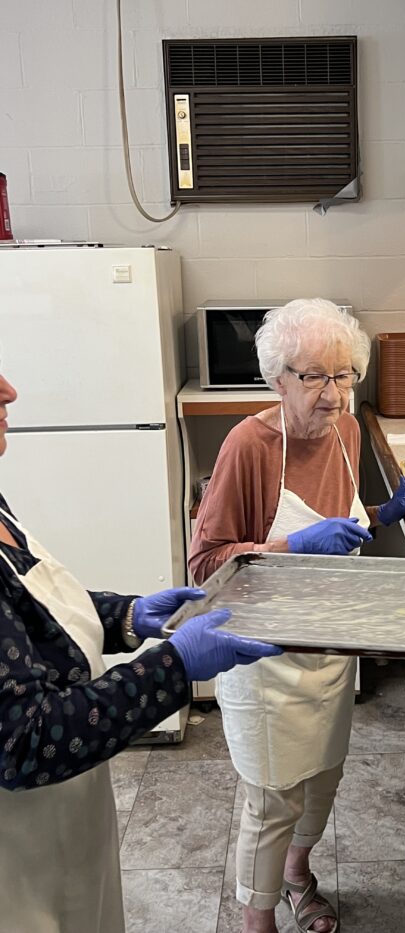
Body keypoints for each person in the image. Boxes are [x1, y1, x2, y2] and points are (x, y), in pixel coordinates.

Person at [0, 371, 282, 933]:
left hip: (66, 815)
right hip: (18, 854)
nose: (9, 390)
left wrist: (128, 615)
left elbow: (30, 621)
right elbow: (23, 741)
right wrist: (172, 667)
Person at [189, 298, 405, 933]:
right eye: (315, 377)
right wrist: (289, 547)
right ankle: (257, 917)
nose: (333, 395)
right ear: (278, 379)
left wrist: (388, 513)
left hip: (330, 646)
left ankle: (298, 876)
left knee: (322, 783)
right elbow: (206, 564)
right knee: (272, 802)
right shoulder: (250, 446)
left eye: (345, 375)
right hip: (264, 658)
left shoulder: (349, 433)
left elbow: (345, 526)